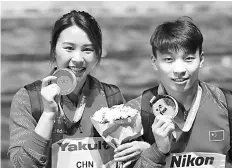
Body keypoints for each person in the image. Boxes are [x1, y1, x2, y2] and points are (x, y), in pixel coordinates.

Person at [7, 10, 148, 168]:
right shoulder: (28, 98)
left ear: (97, 54)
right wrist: (47, 115)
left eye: (87, 49)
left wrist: (144, 150)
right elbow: (22, 165)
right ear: (54, 50)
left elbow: (130, 157)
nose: (78, 59)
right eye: (69, 48)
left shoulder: (111, 96)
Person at [127, 17, 232, 168]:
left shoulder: (229, 106)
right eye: (168, 59)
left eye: (189, 58)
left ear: (201, 59)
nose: (179, 70)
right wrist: (157, 151)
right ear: (154, 61)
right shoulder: (135, 114)